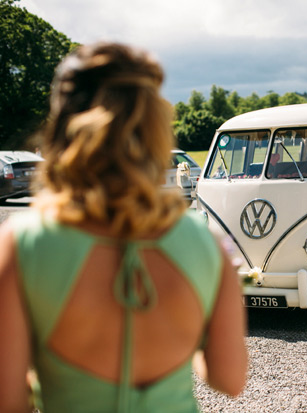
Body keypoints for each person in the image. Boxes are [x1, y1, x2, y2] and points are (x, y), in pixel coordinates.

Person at [0, 42, 247, 412]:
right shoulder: (207, 241)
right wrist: (183, 341)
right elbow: (230, 379)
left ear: (63, 126)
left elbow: (8, 401)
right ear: (154, 127)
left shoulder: (23, 243)